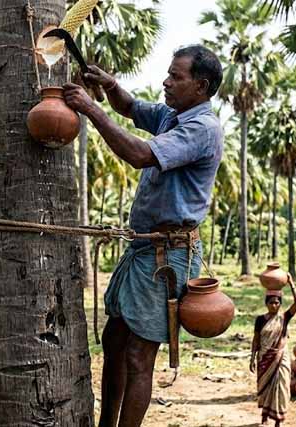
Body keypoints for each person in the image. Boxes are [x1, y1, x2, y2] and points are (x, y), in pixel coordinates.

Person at [63, 44, 224, 427]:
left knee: (138, 356)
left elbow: (138, 153)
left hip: (166, 259)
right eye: (168, 73)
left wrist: (90, 108)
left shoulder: (202, 128)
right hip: (144, 249)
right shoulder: (174, 115)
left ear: (200, 86)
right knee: (115, 341)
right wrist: (110, 85)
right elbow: (131, 108)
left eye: (176, 77)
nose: (166, 82)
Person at [250, 275, 296, 427]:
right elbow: (256, 339)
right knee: (265, 388)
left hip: (281, 358)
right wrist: (252, 357)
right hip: (264, 358)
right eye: (271, 302)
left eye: (277, 303)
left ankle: (278, 420)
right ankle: (264, 417)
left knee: (281, 388)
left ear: (280, 304)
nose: (274, 305)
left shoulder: (284, 317)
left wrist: (291, 283)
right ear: (266, 304)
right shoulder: (260, 320)